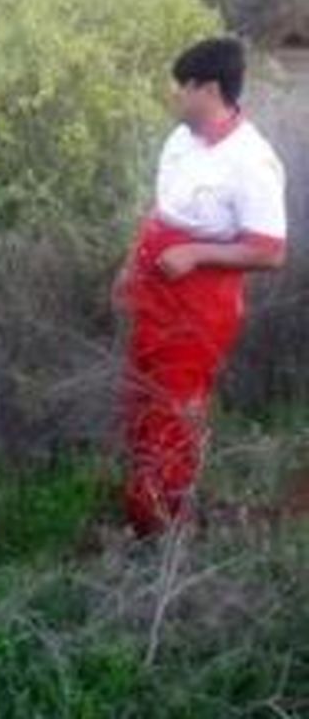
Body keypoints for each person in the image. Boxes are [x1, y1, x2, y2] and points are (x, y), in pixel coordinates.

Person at [116, 37, 287, 537]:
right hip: (153, 292)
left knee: (175, 412)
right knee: (141, 401)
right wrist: (129, 266)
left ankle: (163, 529)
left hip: (199, 308)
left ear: (208, 90)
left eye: (182, 87)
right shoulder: (181, 139)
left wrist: (197, 253)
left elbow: (271, 250)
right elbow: (159, 211)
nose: (175, 96)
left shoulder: (252, 161)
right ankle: (140, 504)